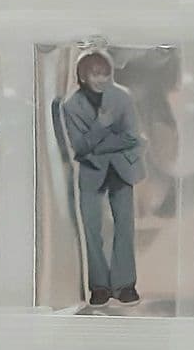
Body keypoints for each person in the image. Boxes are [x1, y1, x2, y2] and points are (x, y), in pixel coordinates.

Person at [62, 52, 145, 307]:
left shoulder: (122, 97)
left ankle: (125, 285)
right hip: (91, 171)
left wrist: (96, 144)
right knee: (91, 229)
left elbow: (133, 137)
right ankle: (99, 286)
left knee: (125, 227)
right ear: (83, 76)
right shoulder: (71, 105)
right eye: (95, 74)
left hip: (122, 168)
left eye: (105, 74)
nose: (101, 79)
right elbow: (79, 146)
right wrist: (101, 124)